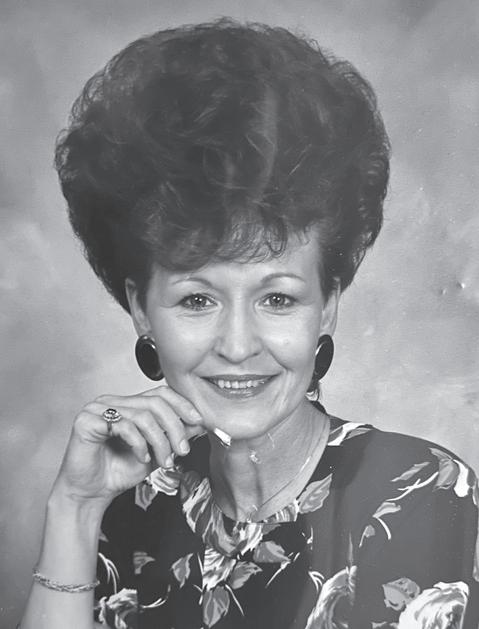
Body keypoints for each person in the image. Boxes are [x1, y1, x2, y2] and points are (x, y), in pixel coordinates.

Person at [20, 18, 479, 629]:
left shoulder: (418, 495)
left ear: (328, 304)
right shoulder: (130, 506)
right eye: (197, 300)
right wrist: (76, 507)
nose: (237, 346)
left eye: (278, 299)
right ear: (141, 309)